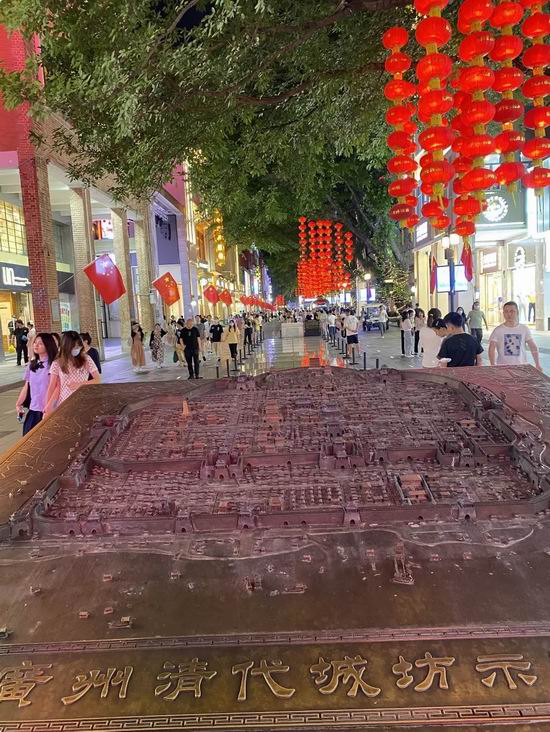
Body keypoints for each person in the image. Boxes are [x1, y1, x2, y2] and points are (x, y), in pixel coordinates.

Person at [44, 331, 100, 415]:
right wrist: (47, 407)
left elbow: (97, 379)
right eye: (74, 347)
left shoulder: (86, 359)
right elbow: (52, 386)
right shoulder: (57, 363)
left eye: (78, 346)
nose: (76, 349)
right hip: (64, 403)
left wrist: (80, 384)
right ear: (66, 347)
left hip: (83, 401)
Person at [15, 333, 58, 435]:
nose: (36, 345)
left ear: (48, 345)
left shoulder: (55, 364)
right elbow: (27, 386)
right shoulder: (32, 364)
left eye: (40, 343)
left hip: (50, 409)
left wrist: (49, 407)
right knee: (28, 439)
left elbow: (57, 388)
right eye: (35, 342)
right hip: (34, 408)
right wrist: (18, 404)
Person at [488, 300, 541, 370]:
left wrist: (537, 364)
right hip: (502, 368)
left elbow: (533, 347)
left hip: (521, 367)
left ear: (517, 312)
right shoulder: (498, 330)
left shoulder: (524, 329)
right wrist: (492, 364)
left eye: (512, 311)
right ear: (503, 313)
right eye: (506, 311)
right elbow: (491, 348)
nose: (509, 314)